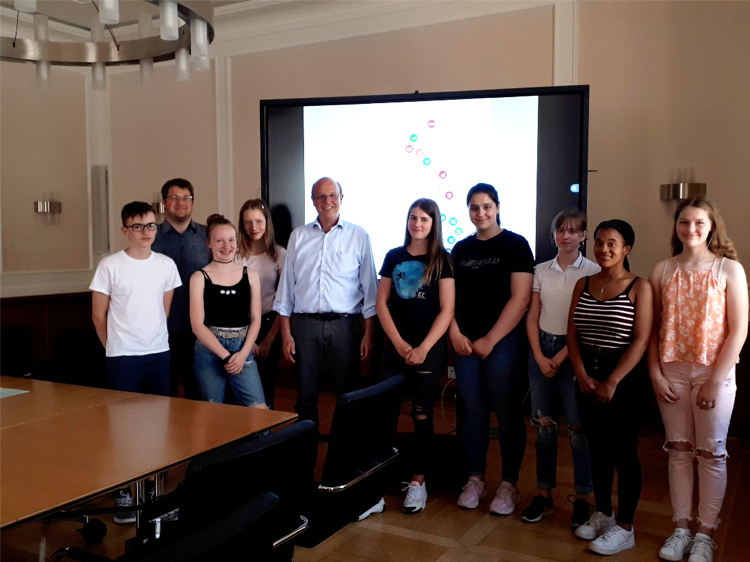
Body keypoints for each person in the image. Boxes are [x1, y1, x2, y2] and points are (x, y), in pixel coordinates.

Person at [648, 196, 747, 562]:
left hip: (713, 371)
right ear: (676, 227)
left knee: (710, 453)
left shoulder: (729, 269)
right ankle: (680, 528)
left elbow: (738, 330)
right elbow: (651, 328)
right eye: (684, 222)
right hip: (671, 371)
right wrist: (655, 374)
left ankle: (705, 534)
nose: (690, 229)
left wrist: (714, 382)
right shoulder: (662, 270)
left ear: (711, 227)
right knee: (678, 451)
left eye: (698, 223)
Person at [90, 201, 181, 524]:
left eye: (151, 225)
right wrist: (113, 346)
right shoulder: (110, 266)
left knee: (158, 425)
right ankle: (125, 491)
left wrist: (150, 338)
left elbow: (164, 309)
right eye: (138, 226)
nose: (146, 231)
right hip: (123, 357)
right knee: (123, 428)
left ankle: (154, 491)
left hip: (158, 353)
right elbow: (98, 314)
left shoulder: (166, 265)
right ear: (125, 230)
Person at [568, 219, 652, 555]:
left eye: (612, 244)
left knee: (624, 452)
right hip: (587, 375)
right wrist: (581, 374)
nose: (603, 249)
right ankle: (604, 513)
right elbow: (572, 333)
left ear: (626, 249)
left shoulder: (640, 287)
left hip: (624, 379)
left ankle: (626, 527)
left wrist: (613, 381)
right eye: (599, 243)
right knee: (598, 450)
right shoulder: (584, 283)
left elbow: (641, 340)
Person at [449, 183, 534, 515]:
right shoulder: (460, 249)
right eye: (474, 207)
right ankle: (476, 479)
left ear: (497, 207)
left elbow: (521, 298)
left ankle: (509, 484)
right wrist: (455, 334)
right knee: (472, 411)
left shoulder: (516, 244)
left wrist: (491, 339)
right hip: (465, 343)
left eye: (486, 206)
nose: (480, 213)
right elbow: (449, 299)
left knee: (507, 410)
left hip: (504, 342)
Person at [273, 177, 378, 428]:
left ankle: (346, 450)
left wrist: (369, 334)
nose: (327, 201)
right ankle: (306, 449)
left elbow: (370, 292)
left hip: (345, 327)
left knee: (348, 394)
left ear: (341, 199)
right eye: (320, 196)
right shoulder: (298, 236)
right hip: (305, 326)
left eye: (332, 195)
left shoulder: (359, 236)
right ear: (313, 201)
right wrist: (286, 334)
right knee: (305, 396)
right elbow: (286, 290)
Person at [376, 198, 455, 514]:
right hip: (395, 348)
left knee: (421, 414)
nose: (417, 224)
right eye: (413, 218)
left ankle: (418, 483)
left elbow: (447, 310)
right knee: (383, 413)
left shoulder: (443, 260)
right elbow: (381, 303)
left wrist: (423, 348)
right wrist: (398, 343)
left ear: (434, 223)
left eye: (424, 219)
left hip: (429, 350)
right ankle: (376, 483)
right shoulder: (393, 256)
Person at [521, 209, 598, 526]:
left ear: (583, 236)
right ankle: (544, 495)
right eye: (561, 230)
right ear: (554, 234)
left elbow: (586, 322)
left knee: (578, 429)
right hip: (542, 349)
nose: (566, 236)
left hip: (574, 353)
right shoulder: (541, 270)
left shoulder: (593, 271)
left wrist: (565, 355)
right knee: (544, 428)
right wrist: (540, 356)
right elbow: (532, 316)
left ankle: (583, 499)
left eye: (573, 230)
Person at [189, 214, 265, 407]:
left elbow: (256, 319)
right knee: (213, 412)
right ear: (209, 243)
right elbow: (197, 325)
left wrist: (242, 354)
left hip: (242, 348)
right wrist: (226, 356)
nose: (226, 246)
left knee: (259, 410)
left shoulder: (251, 275)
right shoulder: (199, 277)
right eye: (219, 241)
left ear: (237, 243)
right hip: (209, 350)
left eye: (231, 240)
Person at [152, 178, 210, 400]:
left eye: (186, 197)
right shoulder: (152, 236)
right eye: (174, 198)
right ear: (164, 203)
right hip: (162, 329)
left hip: (201, 330)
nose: (181, 202)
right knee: (163, 395)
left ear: (192, 202)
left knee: (199, 395)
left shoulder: (207, 235)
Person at [236, 198, 287, 409]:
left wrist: (268, 339)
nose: (254, 227)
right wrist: (248, 339)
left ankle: (267, 426)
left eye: (258, 221)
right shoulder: (236, 254)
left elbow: (283, 299)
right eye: (248, 222)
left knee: (266, 382)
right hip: (240, 324)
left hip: (269, 324)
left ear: (267, 222)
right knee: (240, 382)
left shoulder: (279, 254)